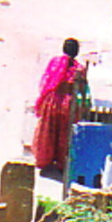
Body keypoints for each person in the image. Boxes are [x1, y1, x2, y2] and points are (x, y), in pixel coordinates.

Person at [32, 38, 87, 173]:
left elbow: (47, 81)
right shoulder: (79, 69)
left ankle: (44, 160)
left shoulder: (55, 63)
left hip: (52, 101)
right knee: (65, 133)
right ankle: (62, 162)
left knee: (48, 131)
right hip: (68, 104)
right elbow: (81, 89)